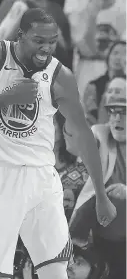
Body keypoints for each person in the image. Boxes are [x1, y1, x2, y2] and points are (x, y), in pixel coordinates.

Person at [0, 8, 117, 279]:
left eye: (52, 41)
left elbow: (83, 134)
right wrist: (5, 99)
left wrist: (101, 195)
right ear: (21, 35)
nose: (46, 49)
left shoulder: (60, 75)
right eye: (39, 40)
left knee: (57, 270)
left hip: (41, 178)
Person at [70, 77, 126, 279]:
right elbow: (79, 175)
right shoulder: (99, 135)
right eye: (113, 112)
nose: (117, 118)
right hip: (98, 236)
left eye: (124, 112)